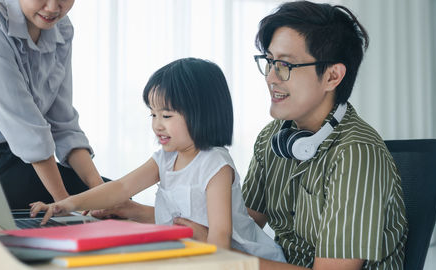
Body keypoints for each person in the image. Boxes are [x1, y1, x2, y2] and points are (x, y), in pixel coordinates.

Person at [102, 1, 408, 269]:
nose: (271, 78)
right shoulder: (273, 137)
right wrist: (136, 212)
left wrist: (216, 249)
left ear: (332, 76)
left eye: (285, 65)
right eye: (270, 62)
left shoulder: (356, 154)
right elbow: (239, 221)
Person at [29, 58, 286, 262]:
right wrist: (66, 205)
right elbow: (121, 188)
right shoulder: (165, 158)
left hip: (240, 259)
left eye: (167, 115)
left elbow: (220, 234)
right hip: (196, 251)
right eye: (153, 114)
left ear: (202, 114)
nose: (157, 125)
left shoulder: (215, 164)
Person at [0, 0, 108, 209]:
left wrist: (100, 190)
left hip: (24, 157)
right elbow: (23, 126)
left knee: (116, 202)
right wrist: (64, 203)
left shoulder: (62, 28)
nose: (52, 7)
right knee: (78, 208)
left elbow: (63, 123)